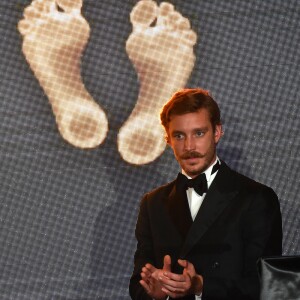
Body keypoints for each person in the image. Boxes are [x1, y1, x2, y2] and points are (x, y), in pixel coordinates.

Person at [129, 88, 282, 300]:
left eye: (199, 133)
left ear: (217, 132)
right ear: (168, 139)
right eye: (179, 135)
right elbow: (139, 282)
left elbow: (266, 284)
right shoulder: (153, 203)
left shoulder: (256, 198)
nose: (189, 146)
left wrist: (200, 287)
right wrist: (156, 295)